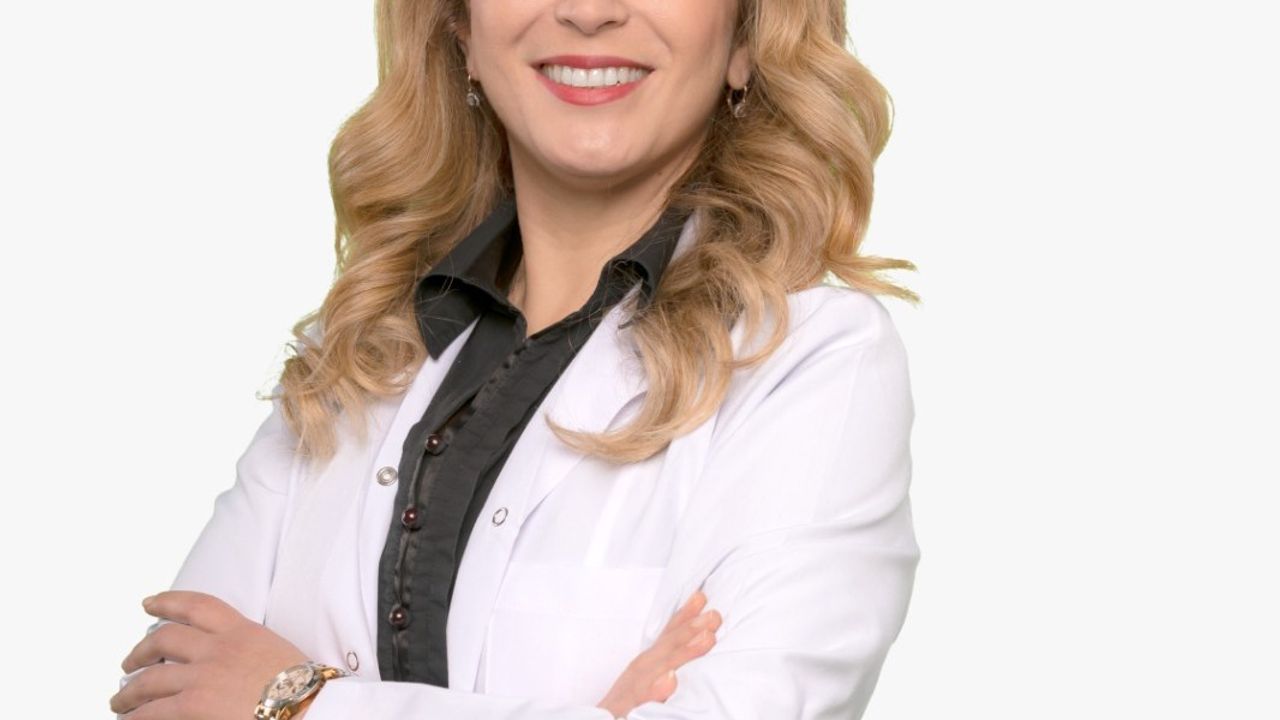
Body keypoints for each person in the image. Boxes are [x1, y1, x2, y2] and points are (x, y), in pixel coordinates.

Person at [110, 0, 920, 718]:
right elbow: (169, 691)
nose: (589, 10)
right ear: (460, 27)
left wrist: (297, 701)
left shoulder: (814, 361)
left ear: (745, 37)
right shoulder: (354, 352)